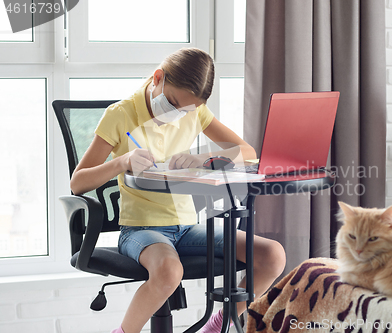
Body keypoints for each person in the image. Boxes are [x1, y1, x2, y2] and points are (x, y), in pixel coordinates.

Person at [70, 48, 286, 333]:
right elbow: (78, 183)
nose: (176, 113)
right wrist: (121, 161)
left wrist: (203, 159)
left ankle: (218, 324)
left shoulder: (196, 113)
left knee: (272, 254)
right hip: (141, 229)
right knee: (170, 271)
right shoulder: (120, 115)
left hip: (188, 228)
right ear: (158, 77)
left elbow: (247, 152)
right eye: (172, 102)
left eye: (185, 109)